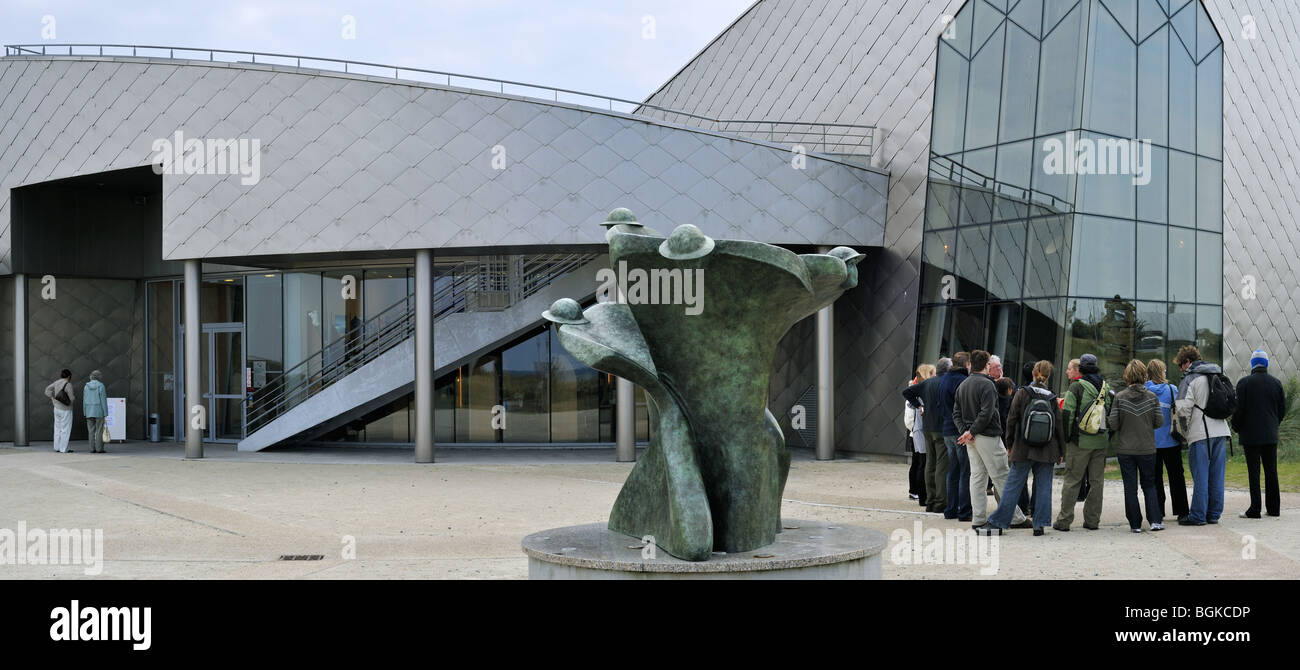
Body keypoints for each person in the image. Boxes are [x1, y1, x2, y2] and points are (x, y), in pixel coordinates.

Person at [953, 350, 1028, 532]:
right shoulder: (987, 385)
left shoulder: (963, 385)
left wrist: (966, 432)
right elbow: (987, 413)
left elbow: (956, 413)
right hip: (987, 435)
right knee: (1001, 476)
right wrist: (971, 432)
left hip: (972, 438)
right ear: (986, 365)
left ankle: (978, 518)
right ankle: (1016, 518)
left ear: (971, 364)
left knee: (977, 478)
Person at [986, 361, 1064, 536]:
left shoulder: (1022, 393)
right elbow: (1058, 426)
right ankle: (1040, 524)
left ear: (1033, 374)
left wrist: (1010, 443)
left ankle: (999, 522)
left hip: (1022, 446)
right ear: (1049, 376)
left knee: (1013, 485)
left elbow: (1011, 420)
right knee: (1044, 486)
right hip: (1047, 448)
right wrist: (1060, 451)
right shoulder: (1052, 397)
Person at [1173, 346, 1231, 526]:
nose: (1181, 369)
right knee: (1217, 476)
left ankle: (1197, 515)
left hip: (1200, 433)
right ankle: (1213, 514)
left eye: (1181, 365)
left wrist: (1180, 434)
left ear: (1187, 361)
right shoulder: (1216, 373)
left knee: (1201, 476)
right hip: (1221, 430)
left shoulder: (1190, 378)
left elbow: (1182, 409)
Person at [1054, 353, 1110, 531]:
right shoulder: (1105, 387)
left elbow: (1068, 415)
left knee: (1072, 480)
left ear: (1082, 369)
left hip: (1080, 442)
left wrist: (1066, 439)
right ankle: (1092, 521)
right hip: (1100, 441)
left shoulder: (1076, 387)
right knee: (1097, 482)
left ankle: (1064, 521)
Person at [1109, 360, 1165, 533]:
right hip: (1147, 448)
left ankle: (1135, 524)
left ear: (1127, 376)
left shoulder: (1119, 397)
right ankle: (1155, 520)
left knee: (1130, 487)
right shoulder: (1152, 397)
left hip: (1125, 449)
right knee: (1149, 485)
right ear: (1144, 375)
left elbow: (1113, 424)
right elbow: (1159, 422)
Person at [1231, 349, 1287, 518]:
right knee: (1272, 471)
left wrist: (1236, 426)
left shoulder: (1244, 383)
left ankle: (1255, 509)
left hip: (1251, 435)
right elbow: (1282, 410)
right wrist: (1273, 424)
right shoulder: (1276, 383)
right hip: (1270, 434)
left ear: (1252, 364)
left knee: (1254, 473)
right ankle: (1274, 508)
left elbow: (1238, 410)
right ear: (1267, 364)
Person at [904, 357, 951, 513]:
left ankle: (930, 500)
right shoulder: (945, 382)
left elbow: (907, 392)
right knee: (940, 465)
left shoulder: (927, 383)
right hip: (940, 427)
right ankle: (940, 501)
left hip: (928, 427)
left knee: (930, 463)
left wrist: (920, 406)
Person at [1145, 359, 1188, 521]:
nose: (1165, 373)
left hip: (1151, 442)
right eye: (1163, 371)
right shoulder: (1172, 389)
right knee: (1177, 477)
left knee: (1155, 478)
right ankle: (1182, 511)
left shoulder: (1144, 391)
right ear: (1160, 372)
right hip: (1171, 440)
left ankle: (1158, 511)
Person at [938, 352, 973, 521]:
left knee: (952, 471)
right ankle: (964, 510)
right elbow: (964, 407)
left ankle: (951, 508)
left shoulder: (944, 379)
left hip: (947, 429)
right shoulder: (962, 381)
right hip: (959, 430)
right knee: (964, 471)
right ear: (966, 364)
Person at [904, 365, 937, 506]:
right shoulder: (920, 390)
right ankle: (919, 493)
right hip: (919, 429)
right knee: (921, 462)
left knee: (920, 462)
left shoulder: (921, 389)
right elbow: (910, 413)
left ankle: (919, 492)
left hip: (918, 429)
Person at [43, 369, 76, 453]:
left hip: (56, 408)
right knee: (65, 429)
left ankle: (56, 447)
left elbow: (47, 390)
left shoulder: (56, 382)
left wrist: (52, 398)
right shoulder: (68, 384)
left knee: (57, 428)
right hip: (66, 410)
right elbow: (71, 398)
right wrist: (72, 400)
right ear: (69, 376)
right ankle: (63, 449)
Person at [83, 370, 109, 454]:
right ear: (99, 377)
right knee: (99, 431)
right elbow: (103, 401)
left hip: (89, 411)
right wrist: (106, 413)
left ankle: (91, 449)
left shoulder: (86, 386)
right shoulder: (101, 386)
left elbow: (84, 400)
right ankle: (99, 449)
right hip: (99, 411)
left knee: (90, 431)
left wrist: (84, 411)